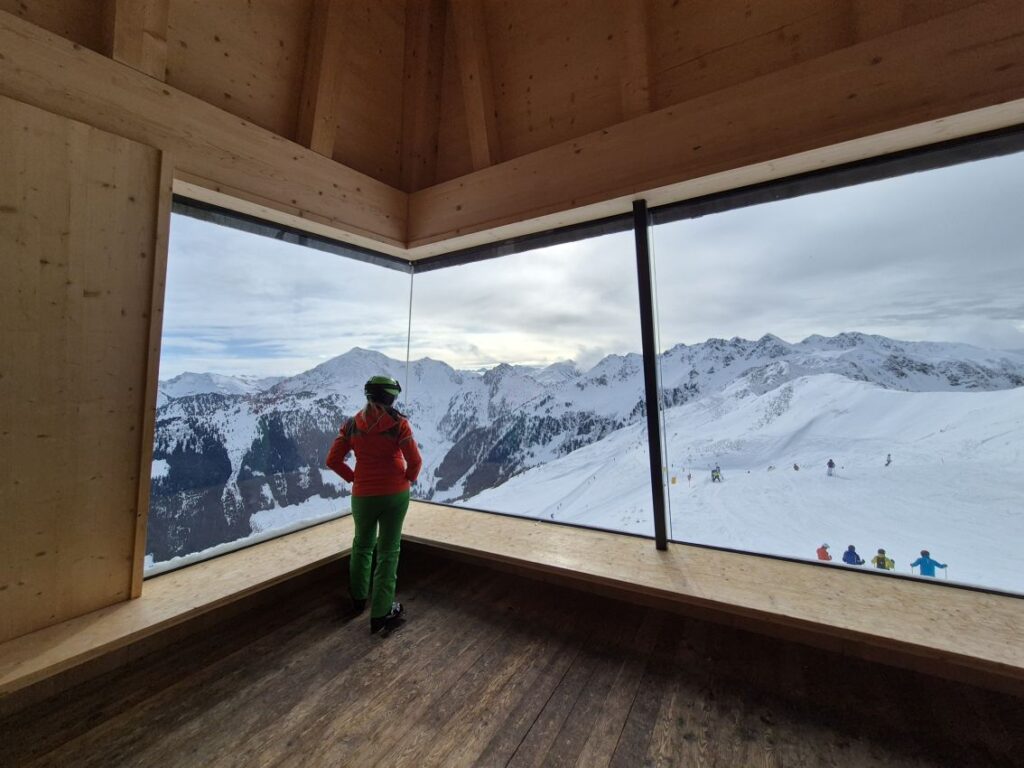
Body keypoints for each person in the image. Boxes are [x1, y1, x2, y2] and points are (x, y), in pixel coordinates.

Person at [326, 375, 422, 635]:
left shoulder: (351, 425)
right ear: (391, 397)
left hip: (363, 495)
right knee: (389, 552)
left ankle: (358, 599)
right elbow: (415, 461)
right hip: (395, 494)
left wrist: (354, 477)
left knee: (362, 545)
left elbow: (332, 460)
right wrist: (408, 479)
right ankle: (381, 613)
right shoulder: (399, 424)